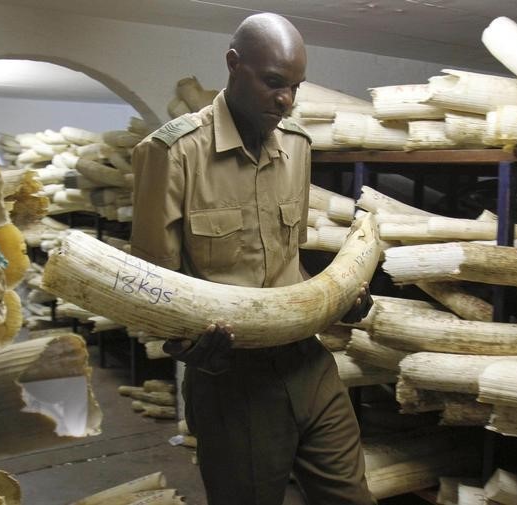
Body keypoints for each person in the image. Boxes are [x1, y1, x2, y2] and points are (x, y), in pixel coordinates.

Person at [130, 13, 375, 505]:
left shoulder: (297, 146)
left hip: (310, 364)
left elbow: (290, 261)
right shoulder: (174, 152)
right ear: (233, 65)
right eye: (273, 83)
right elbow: (153, 290)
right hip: (232, 381)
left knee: (351, 498)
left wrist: (338, 298)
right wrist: (189, 347)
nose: (286, 100)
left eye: (295, 87)